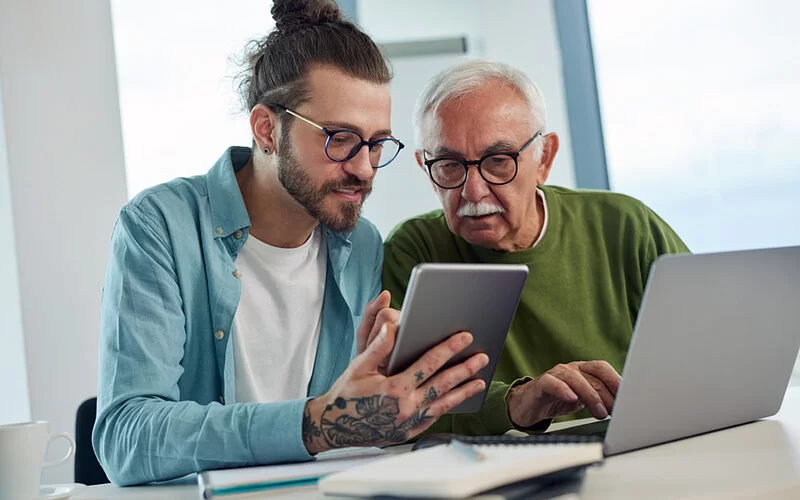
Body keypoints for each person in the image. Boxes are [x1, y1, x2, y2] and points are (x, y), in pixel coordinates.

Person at [94, 1, 488, 486]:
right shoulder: (159, 227)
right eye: (340, 138)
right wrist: (316, 422)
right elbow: (125, 436)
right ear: (267, 130)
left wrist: (389, 407)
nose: (364, 169)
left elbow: (347, 431)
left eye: (377, 143)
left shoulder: (360, 243)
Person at [382, 59, 690, 436]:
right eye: (448, 165)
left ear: (544, 157)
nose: (473, 191)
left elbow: (710, 351)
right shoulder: (412, 252)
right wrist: (515, 404)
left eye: (498, 161)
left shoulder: (627, 225)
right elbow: (399, 410)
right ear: (424, 167)